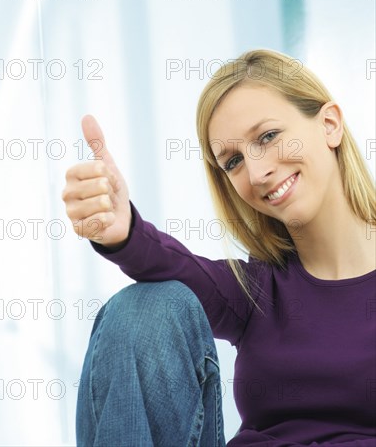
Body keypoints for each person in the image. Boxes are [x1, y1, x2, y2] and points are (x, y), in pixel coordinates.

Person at [62, 48, 376, 446]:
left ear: (329, 124)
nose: (258, 172)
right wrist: (123, 230)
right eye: (233, 162)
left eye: (268, 136)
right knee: (142, 308)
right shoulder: (256, 291)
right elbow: (174, 268)